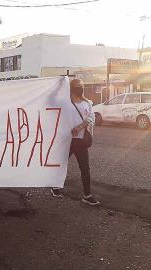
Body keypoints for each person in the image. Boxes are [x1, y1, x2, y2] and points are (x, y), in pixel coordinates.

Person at [51, 78, 100, 206]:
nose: (80, 88)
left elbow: (91, 117)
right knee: (60, 165)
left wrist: (79, 127)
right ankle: (55, 187)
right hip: (66, 141)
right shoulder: (64, 102)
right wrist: (58, 86)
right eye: (77, 86)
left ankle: (87, 195)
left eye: (81, 86)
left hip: (81, 141)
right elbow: (49, 100)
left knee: (85, 168)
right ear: (71, 89)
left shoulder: (87, 103)